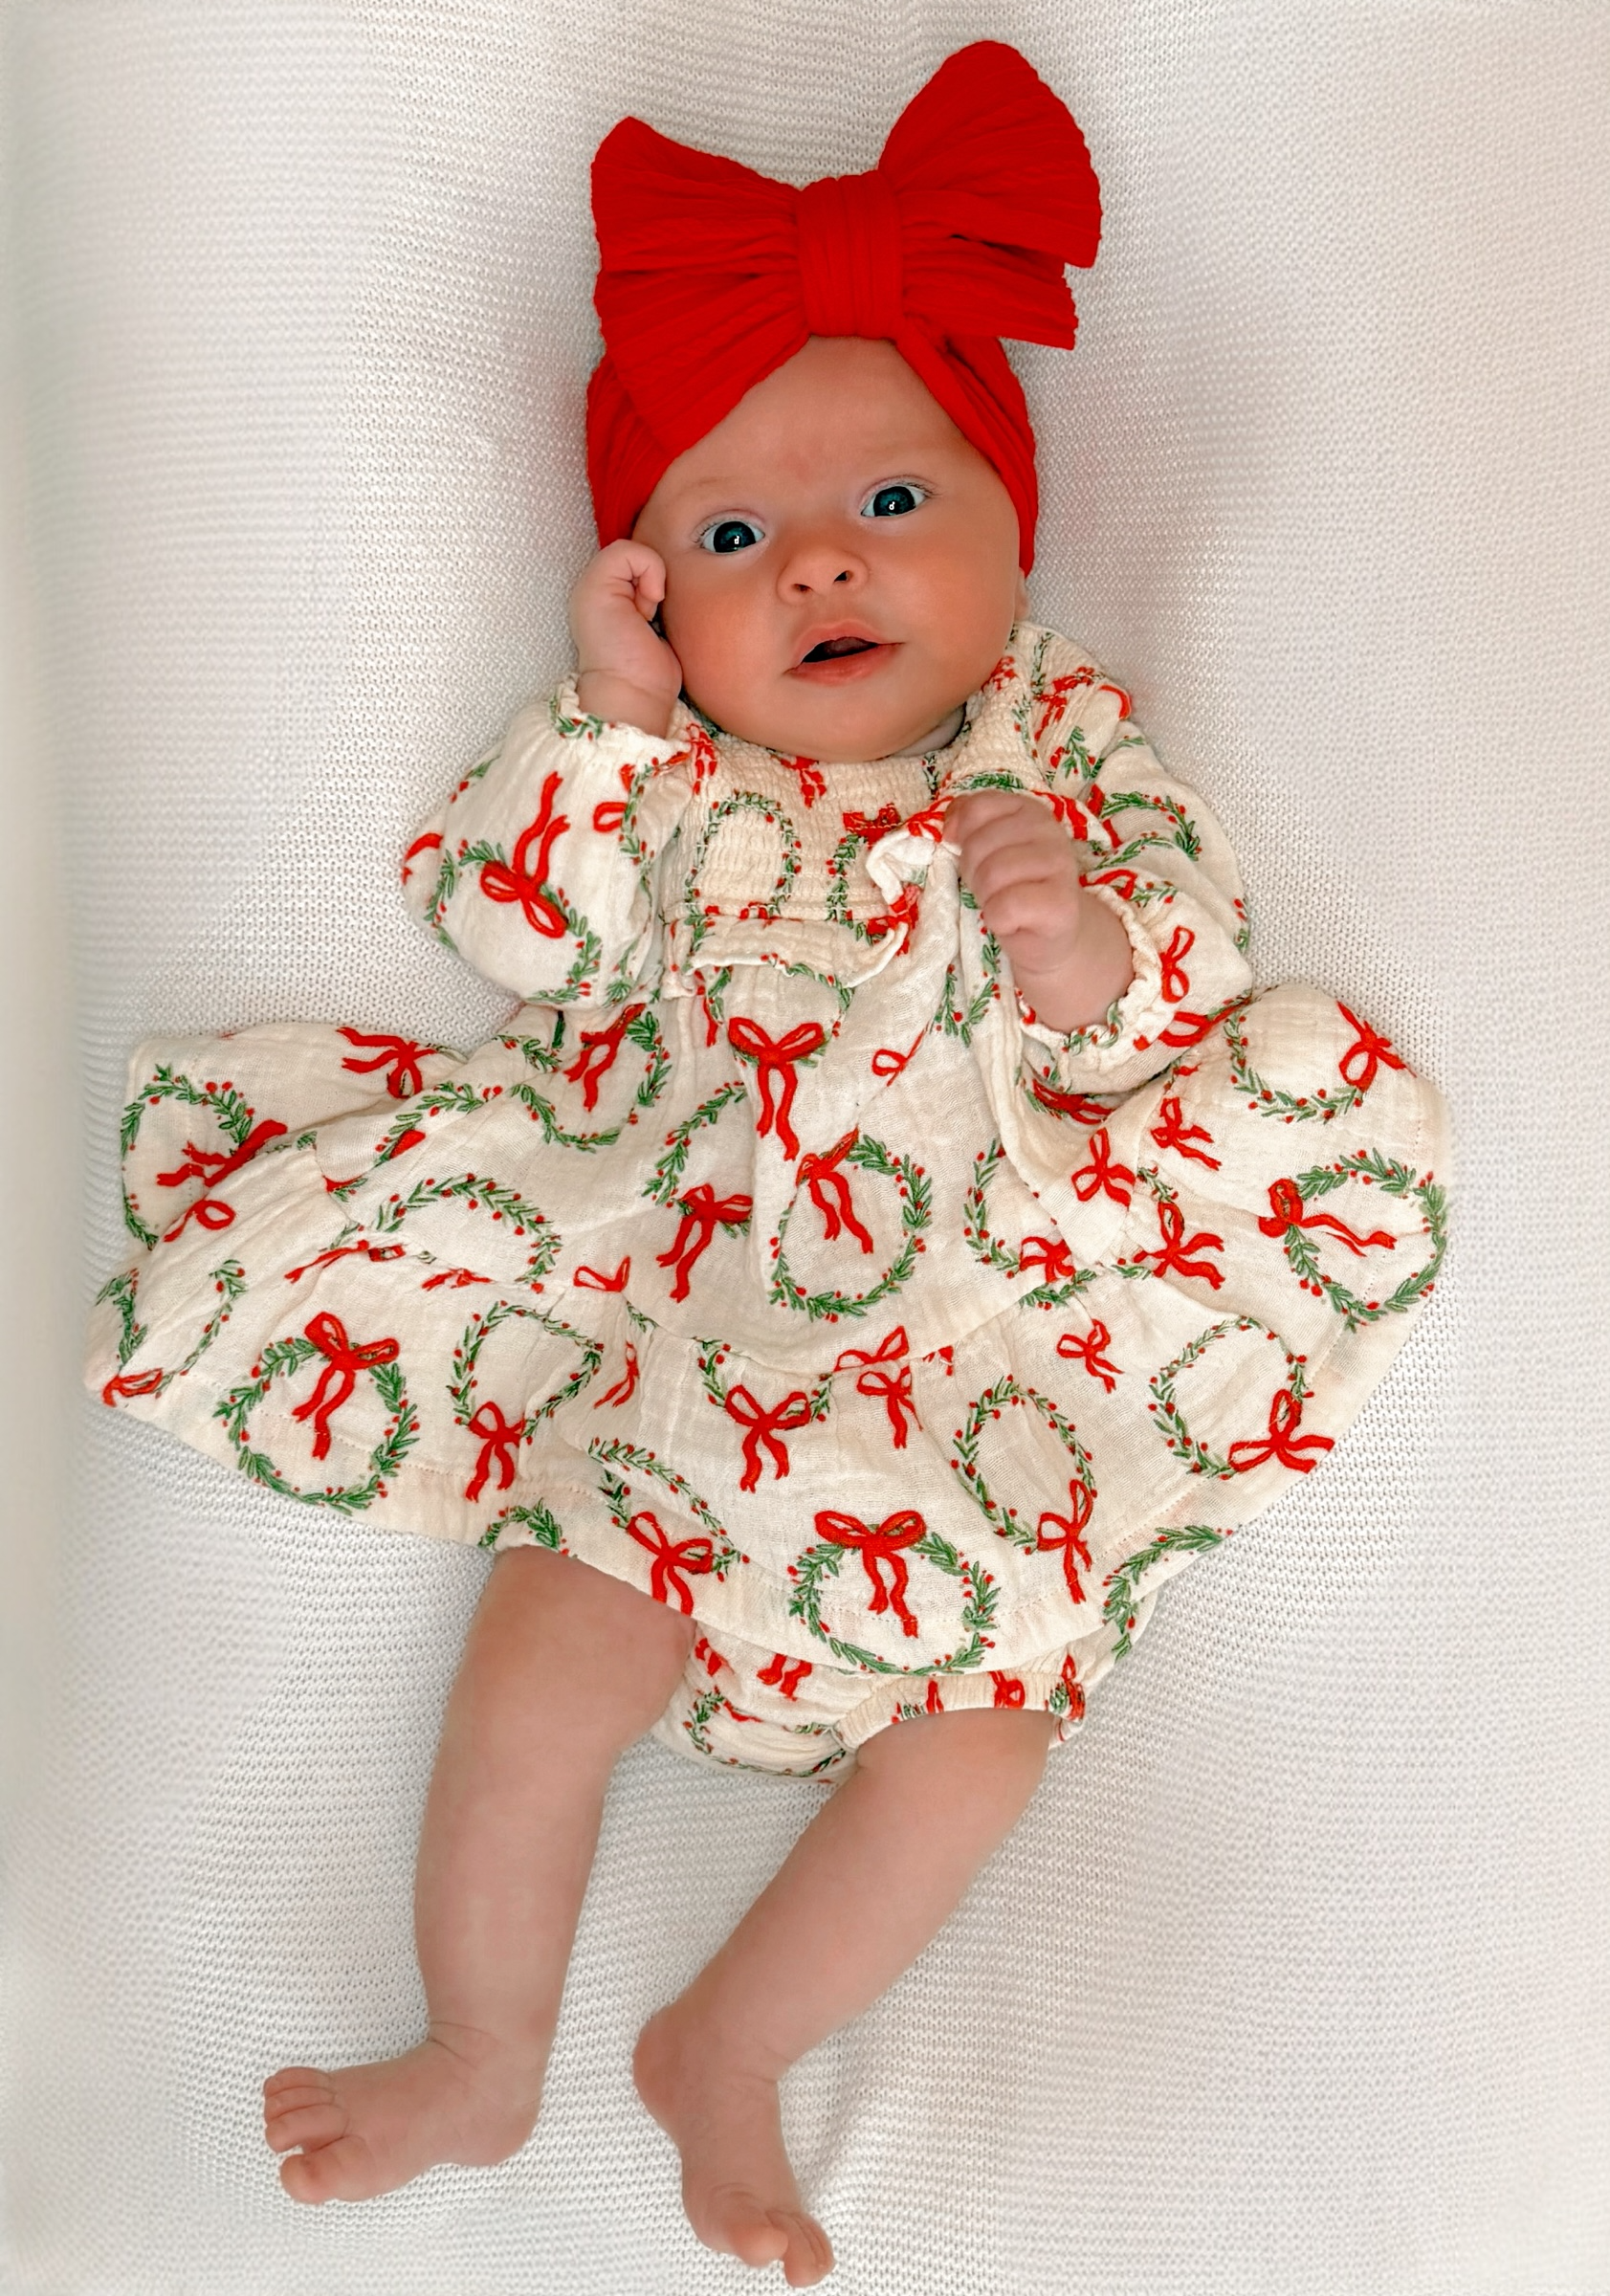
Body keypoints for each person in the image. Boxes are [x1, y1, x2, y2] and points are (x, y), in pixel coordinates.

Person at [86, 41, 1451, 2286]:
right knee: (546, 1651)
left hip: (984, 1358)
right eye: (730, 538)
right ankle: (483, 2038)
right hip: (687, 1335)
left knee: (990, 1737)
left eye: (896, 505)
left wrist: (1088, 950)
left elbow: (1188, 982)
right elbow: (511, 930)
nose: (821, 557)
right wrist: (604, 719)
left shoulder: (1065, 741)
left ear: (1018, 533)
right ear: (656, 596)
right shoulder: (672, 776)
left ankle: (731, 2043)